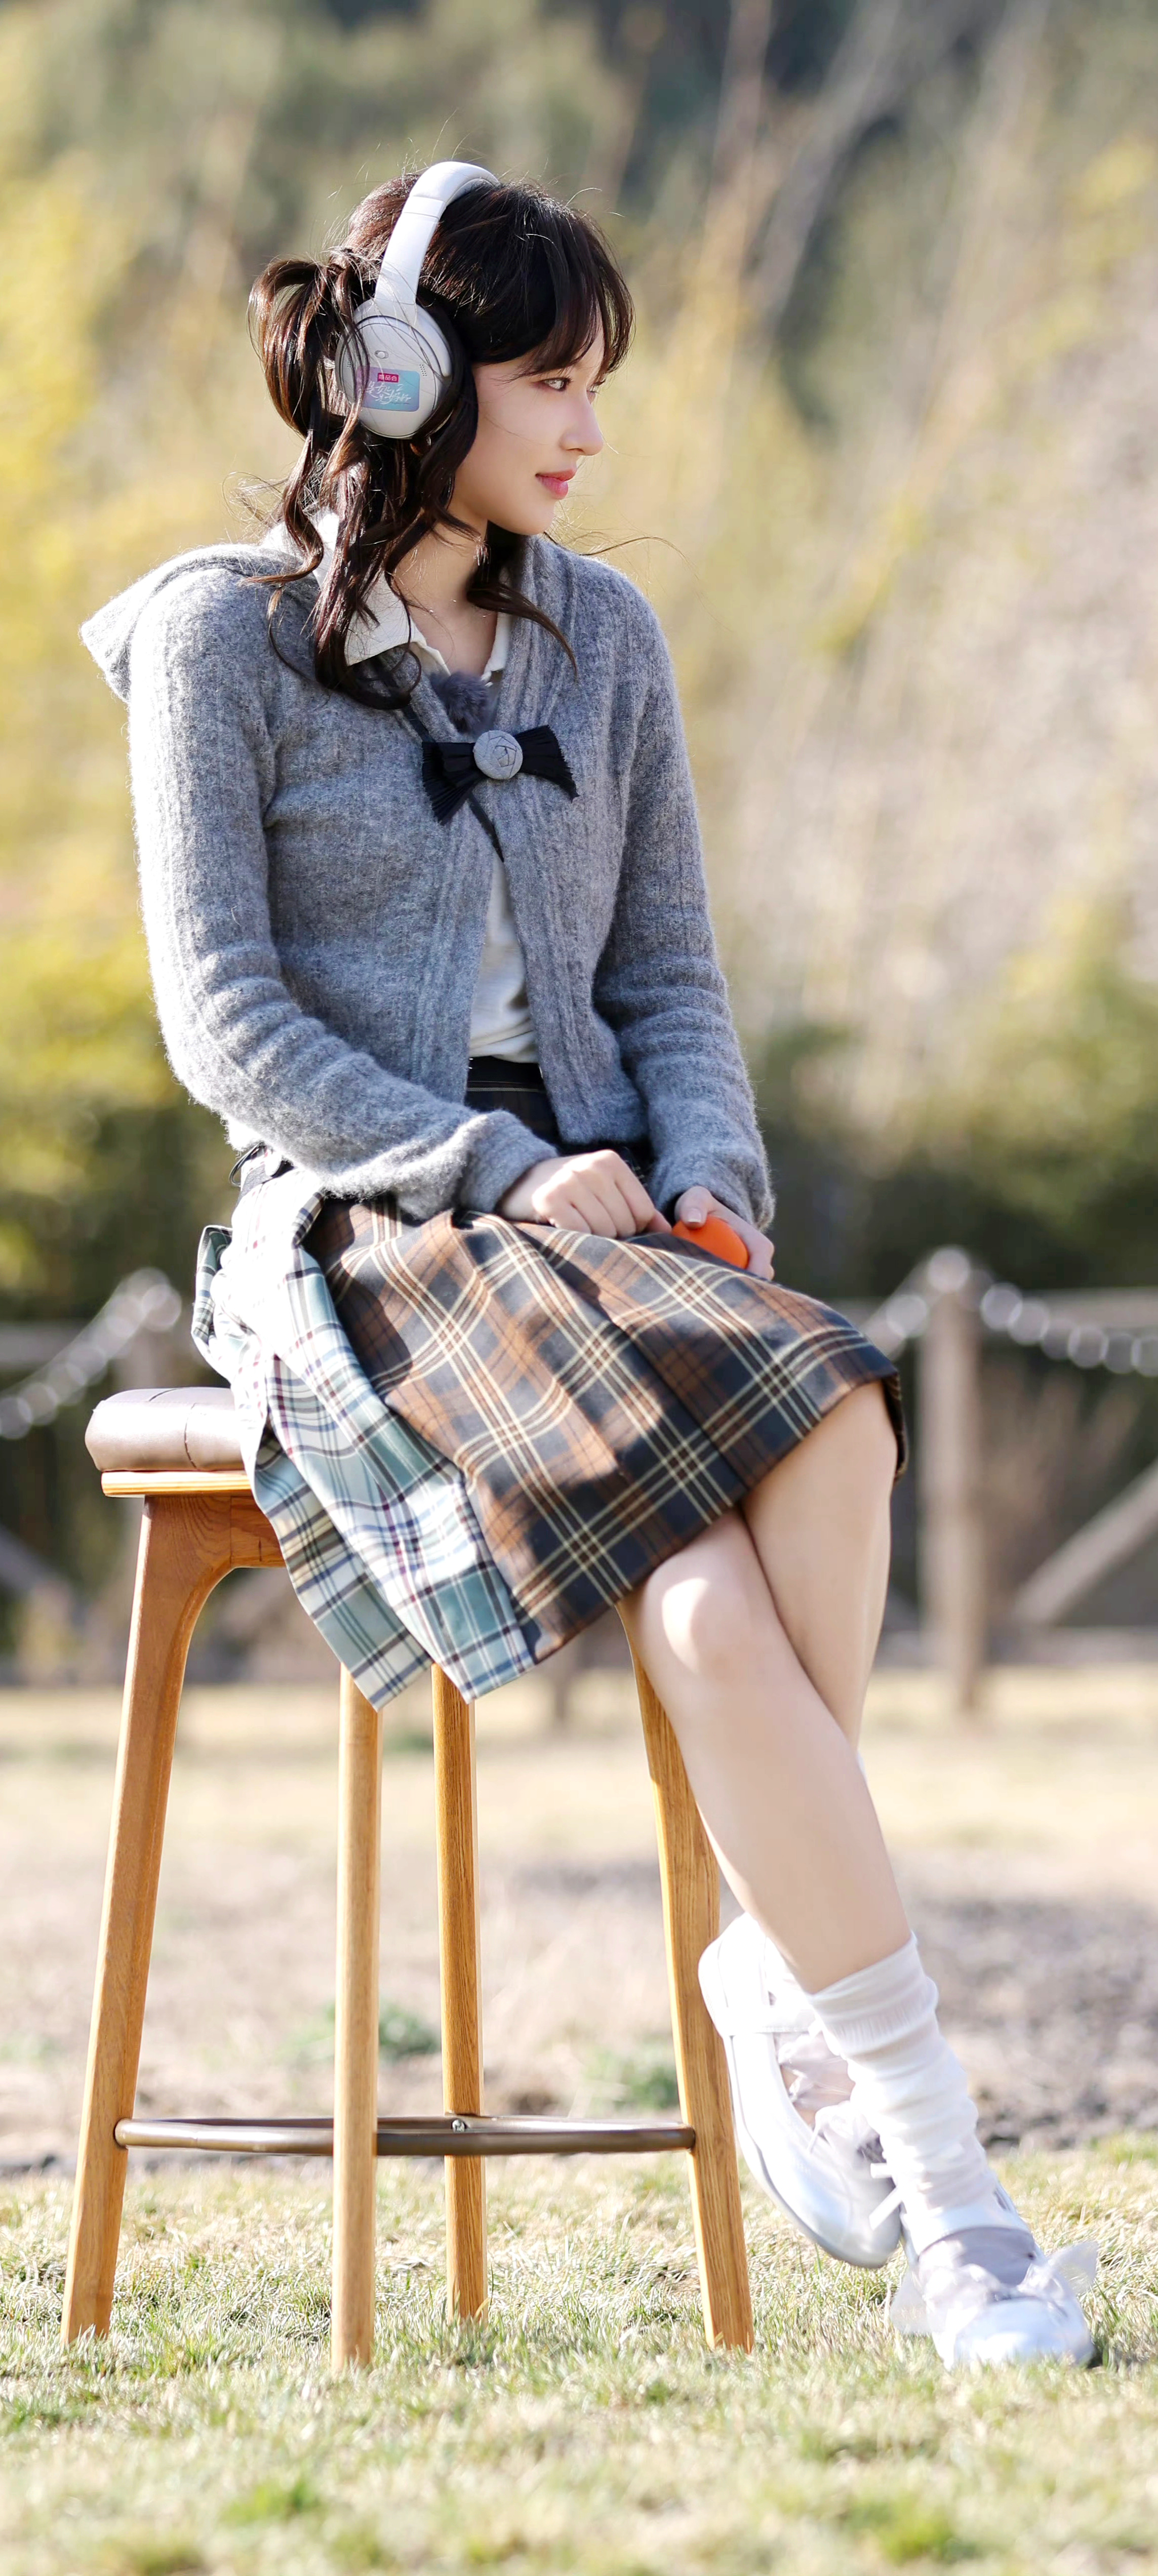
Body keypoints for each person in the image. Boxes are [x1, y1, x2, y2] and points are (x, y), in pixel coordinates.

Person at [82, 164, 1095, 2371]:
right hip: (375, 1233)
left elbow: (671, 983)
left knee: (827, 1427)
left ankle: (777, 1978)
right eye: (549, 380)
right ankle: (950, 2195)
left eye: (592, 383)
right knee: (763, 1505)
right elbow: (225, 1024)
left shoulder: (601, 640)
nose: (587, 432)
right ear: (402, 376)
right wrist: (492, 1166)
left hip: (618, 1238)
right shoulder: (217, 644)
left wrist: (708, 1172)